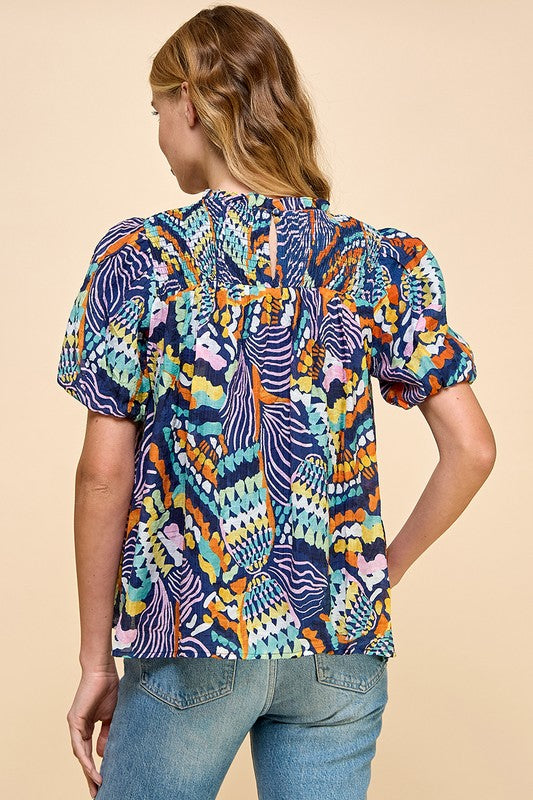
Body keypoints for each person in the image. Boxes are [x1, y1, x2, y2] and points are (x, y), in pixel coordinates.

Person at [56, 5, 496, 800]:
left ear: (190, 104)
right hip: (340, 649)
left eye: (156, 111)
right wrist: (378, 572)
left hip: (196, 639)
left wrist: (96, 661)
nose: (160, 133)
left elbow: (102, 475)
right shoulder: (373, 259)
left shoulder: (143, 258)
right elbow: (472, 449)